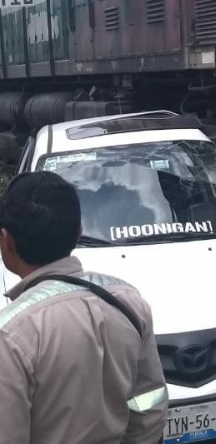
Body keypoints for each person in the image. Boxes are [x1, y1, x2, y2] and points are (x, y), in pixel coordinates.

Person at [0, 171, 168, 443]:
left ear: (5, 240)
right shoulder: (128, 301)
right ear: (78, 232)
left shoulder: (11, 335)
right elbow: (149, 404)